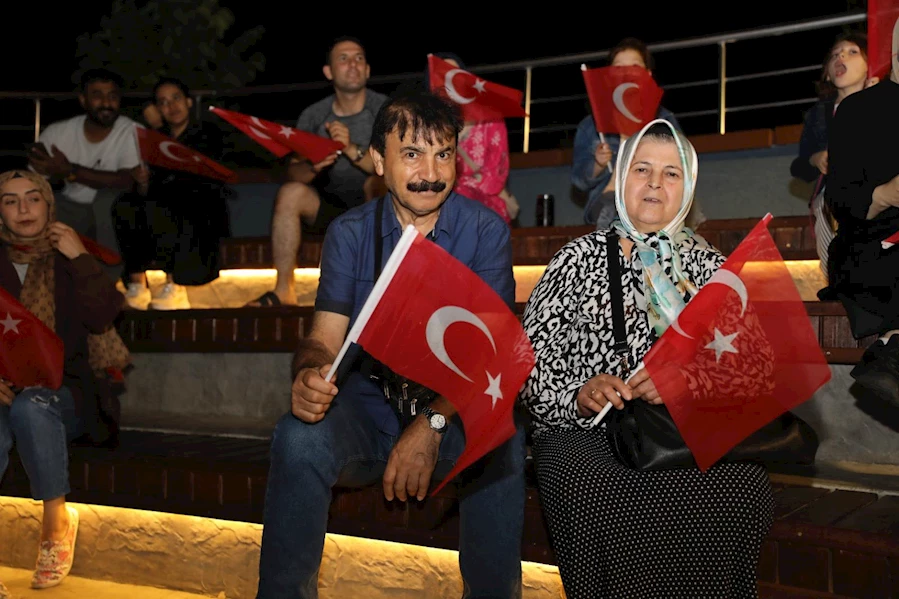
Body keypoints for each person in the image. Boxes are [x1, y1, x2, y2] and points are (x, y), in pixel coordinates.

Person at [255, 90, 526, 599]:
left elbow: (493, 353)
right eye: (413, 154)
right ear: (379, 161)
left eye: (444, 154)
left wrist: (433, 423)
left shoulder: (484, 231)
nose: (431, 172)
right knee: (298, 435)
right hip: (370, 414)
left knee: (503, 440)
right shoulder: (349, 233)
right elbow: (323, 339)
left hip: (451, 415)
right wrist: (308, 375)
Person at [520, 120, 773, 598]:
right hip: (586, 433)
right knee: (597, 491)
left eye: (671, 173)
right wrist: (579, 395)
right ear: (621, 179)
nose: (655, 183)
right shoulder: (575, 260)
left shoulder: (710, 267)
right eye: (642, 169)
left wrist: (689, 382)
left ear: (688, 188)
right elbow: (528, 369)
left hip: (684, 432)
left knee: (743, 485)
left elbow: (755, 369)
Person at [0, 169, 125, 591]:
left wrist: (81, 258)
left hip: (68, 393)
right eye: (10, 200)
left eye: (33, 198)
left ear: (49, 204)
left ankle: (56, 524)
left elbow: (103, 316)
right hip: (6, 390)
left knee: (31, 406)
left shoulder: (68, 259)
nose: (23, 209)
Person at [246, 36, 387, 307]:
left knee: (376, 184)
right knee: (290, 193)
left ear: (368, 70)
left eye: (359, 58)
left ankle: (378, 287)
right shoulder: (314, 115)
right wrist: (312, 166)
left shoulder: (384, 109)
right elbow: (293, 174)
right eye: (343, 59)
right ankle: (283, 291)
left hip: (374, 205)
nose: (353, 64)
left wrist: (349, 148)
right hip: (328, 204)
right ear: (328, 72)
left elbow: (393, 168)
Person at [822, 16, 899, 408]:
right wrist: (884, 195)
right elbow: (840, 199)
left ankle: (891, 350)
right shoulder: (858, 109)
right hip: (869, 244)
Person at [112, 77, 231, 310]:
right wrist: (143, 181)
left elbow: (197, 174)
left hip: (201, 211)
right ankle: (137, 284)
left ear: (188, 102)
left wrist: (158, 131)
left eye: (176, 98)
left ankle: (175, 285)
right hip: (162, 207)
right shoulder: (154, 140)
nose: (171, 106)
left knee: (172, 200)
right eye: (163, 102)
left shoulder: (208, 133)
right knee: (125, 204)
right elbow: (149, 189)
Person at [790, 32, 877, 277]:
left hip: (875, 202)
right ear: (827, 73)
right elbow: (798, 168)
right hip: (830, 206)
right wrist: (814, 159)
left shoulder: (883, 102)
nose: (841, 58)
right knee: (836, 272)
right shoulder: (818, 114)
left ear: (870, 65)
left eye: (852, 52)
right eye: (835, 55)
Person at [572, 38, 682, 229]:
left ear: (648, 74)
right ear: (608, 76)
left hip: (653, 196)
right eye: (619, 68)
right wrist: (598, 164)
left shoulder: (663, 120)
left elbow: (682, 166)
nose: (626, 73)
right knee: (611, 213)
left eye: (634, 67)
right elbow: (579, 181)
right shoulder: (591, 125)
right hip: (608, 200)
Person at [27, 68, 147, 239]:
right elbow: (33, 181)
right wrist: (51, 172)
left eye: (113, 96)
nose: (106, 103)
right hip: (69, 205)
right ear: (83, 100)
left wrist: (71, 171)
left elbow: (127, 180)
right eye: (97, 96)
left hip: (115, 209)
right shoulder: (58, 132)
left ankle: (109, 258)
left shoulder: (133, 131)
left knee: (106, 201)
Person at [426, 52, 516, 224]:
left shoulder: (490, 119)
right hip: (436, 203)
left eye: (454, 74)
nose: (449, 81)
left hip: (482, 204)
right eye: (442, 74)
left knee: (456, 204)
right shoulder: (425, 126)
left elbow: (495, 178)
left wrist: (459, 188)